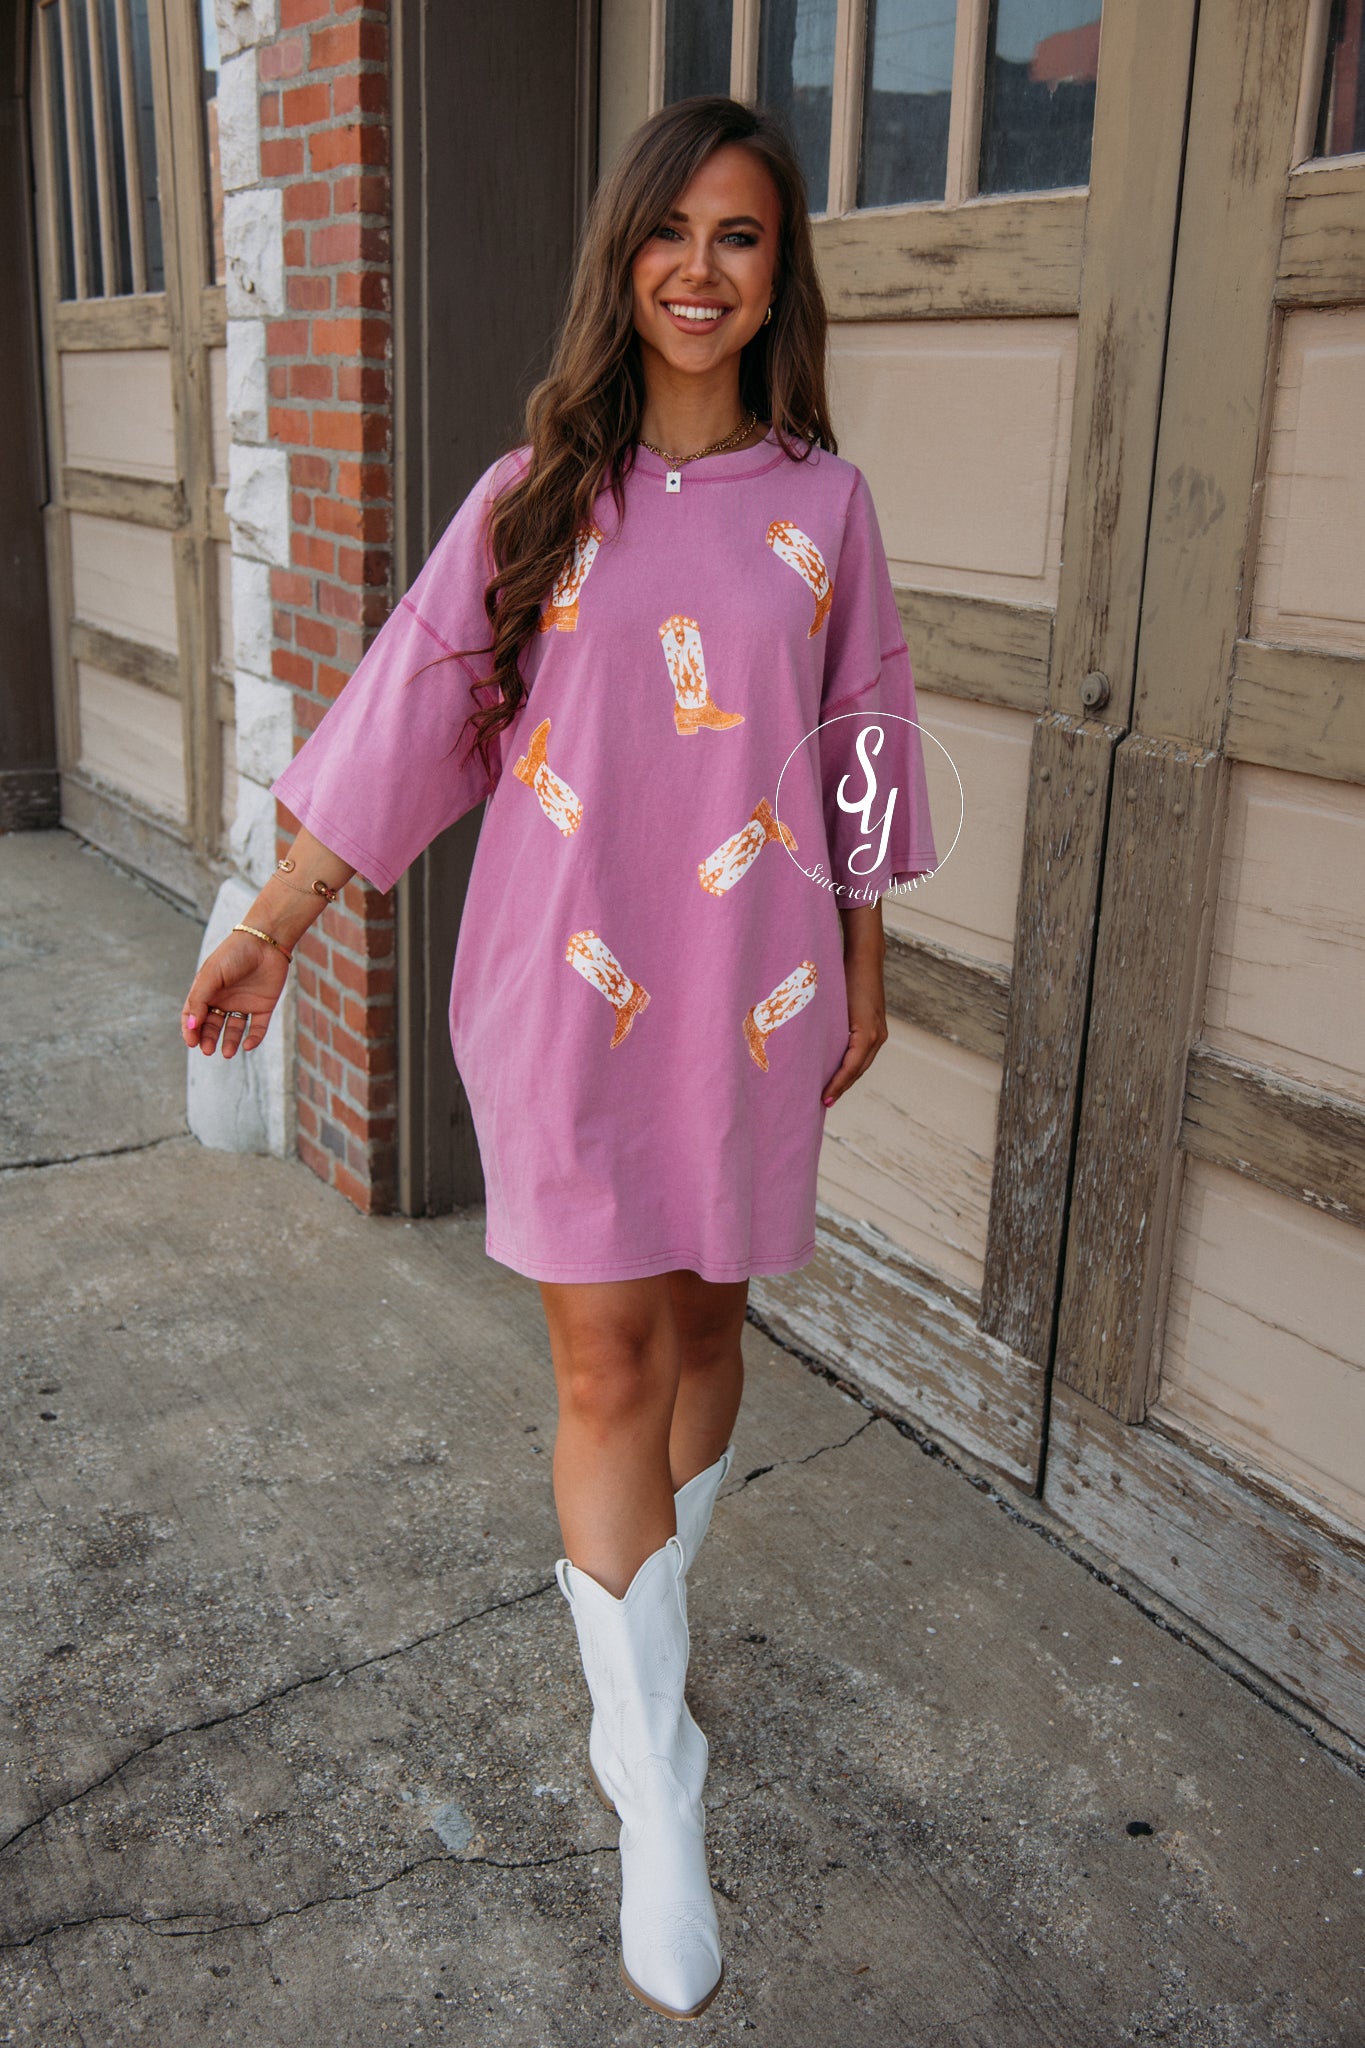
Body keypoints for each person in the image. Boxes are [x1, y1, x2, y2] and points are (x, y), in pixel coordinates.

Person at [182, 94, 937, 2023]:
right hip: (559, 986)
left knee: (705, 1329)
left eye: (740, 236)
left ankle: (635, 1643)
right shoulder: (533, 498)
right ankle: (654, 1784)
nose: (700, 268)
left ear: (778, 273)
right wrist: (276, 920)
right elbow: (407, 721)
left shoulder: (824, 505)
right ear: (622, 257)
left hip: (751, 983)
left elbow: (859, 733)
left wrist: (865, 957)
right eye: (669, 231)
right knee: (605, 1360)